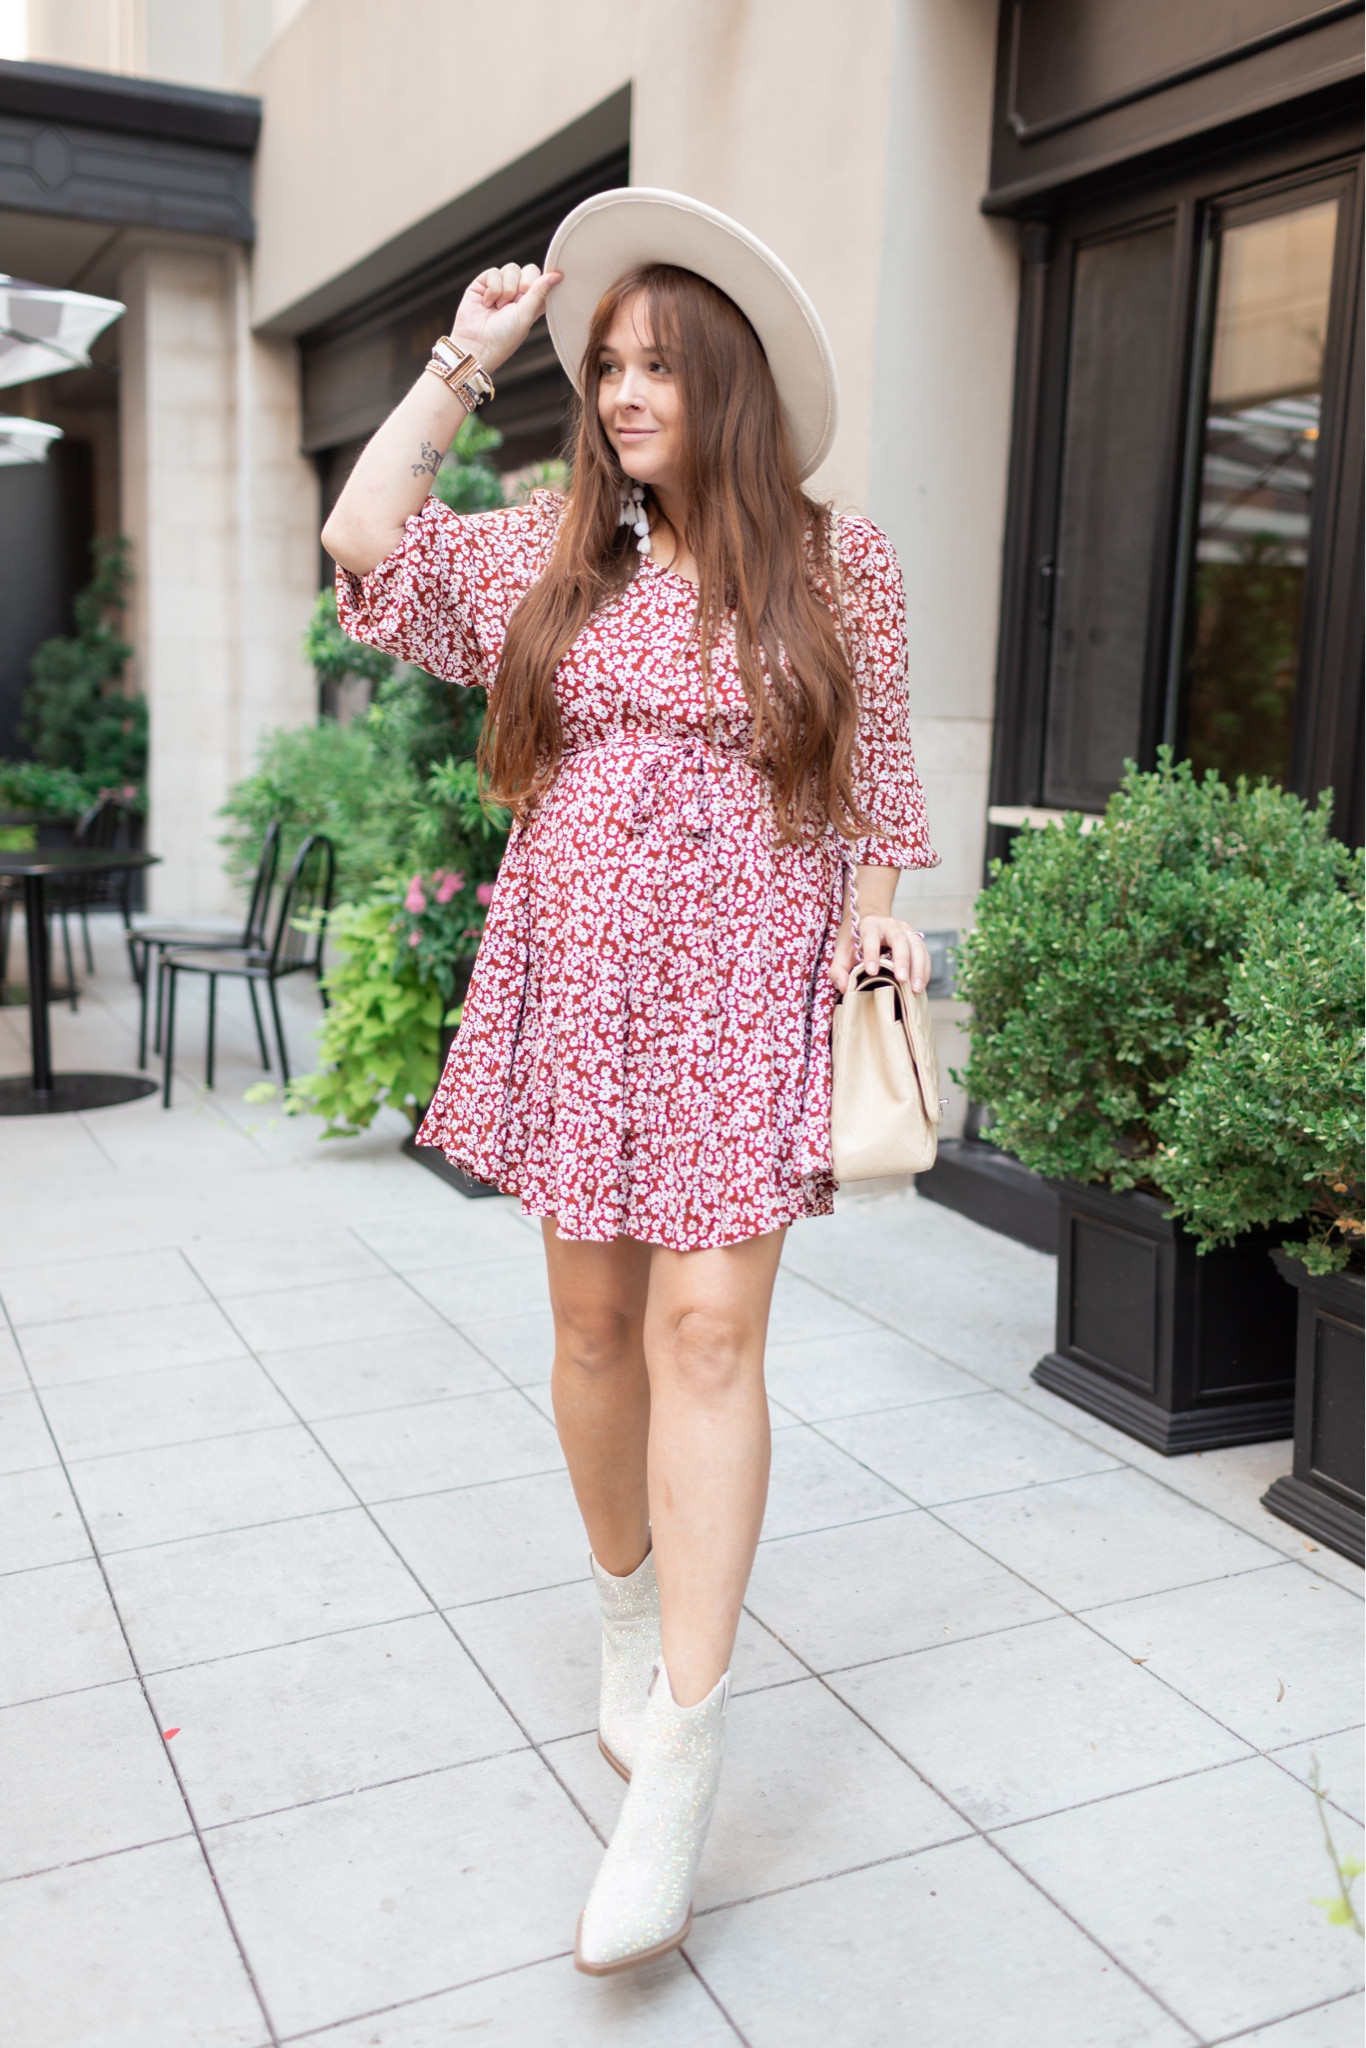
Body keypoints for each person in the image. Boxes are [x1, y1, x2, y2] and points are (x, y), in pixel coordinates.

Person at [324, 188, 937, 1975]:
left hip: (744, 982)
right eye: (605, 368)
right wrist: (468, 355)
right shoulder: (550, 546)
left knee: (704, 1343)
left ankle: (681, 1742)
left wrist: (879, 932)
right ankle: (619, 1613)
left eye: (659, 362)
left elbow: (879, 791)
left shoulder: (844, 565)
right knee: (593, 1335)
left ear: (729, 380)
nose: (625, 392)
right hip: (577, 980)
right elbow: (365, 542)